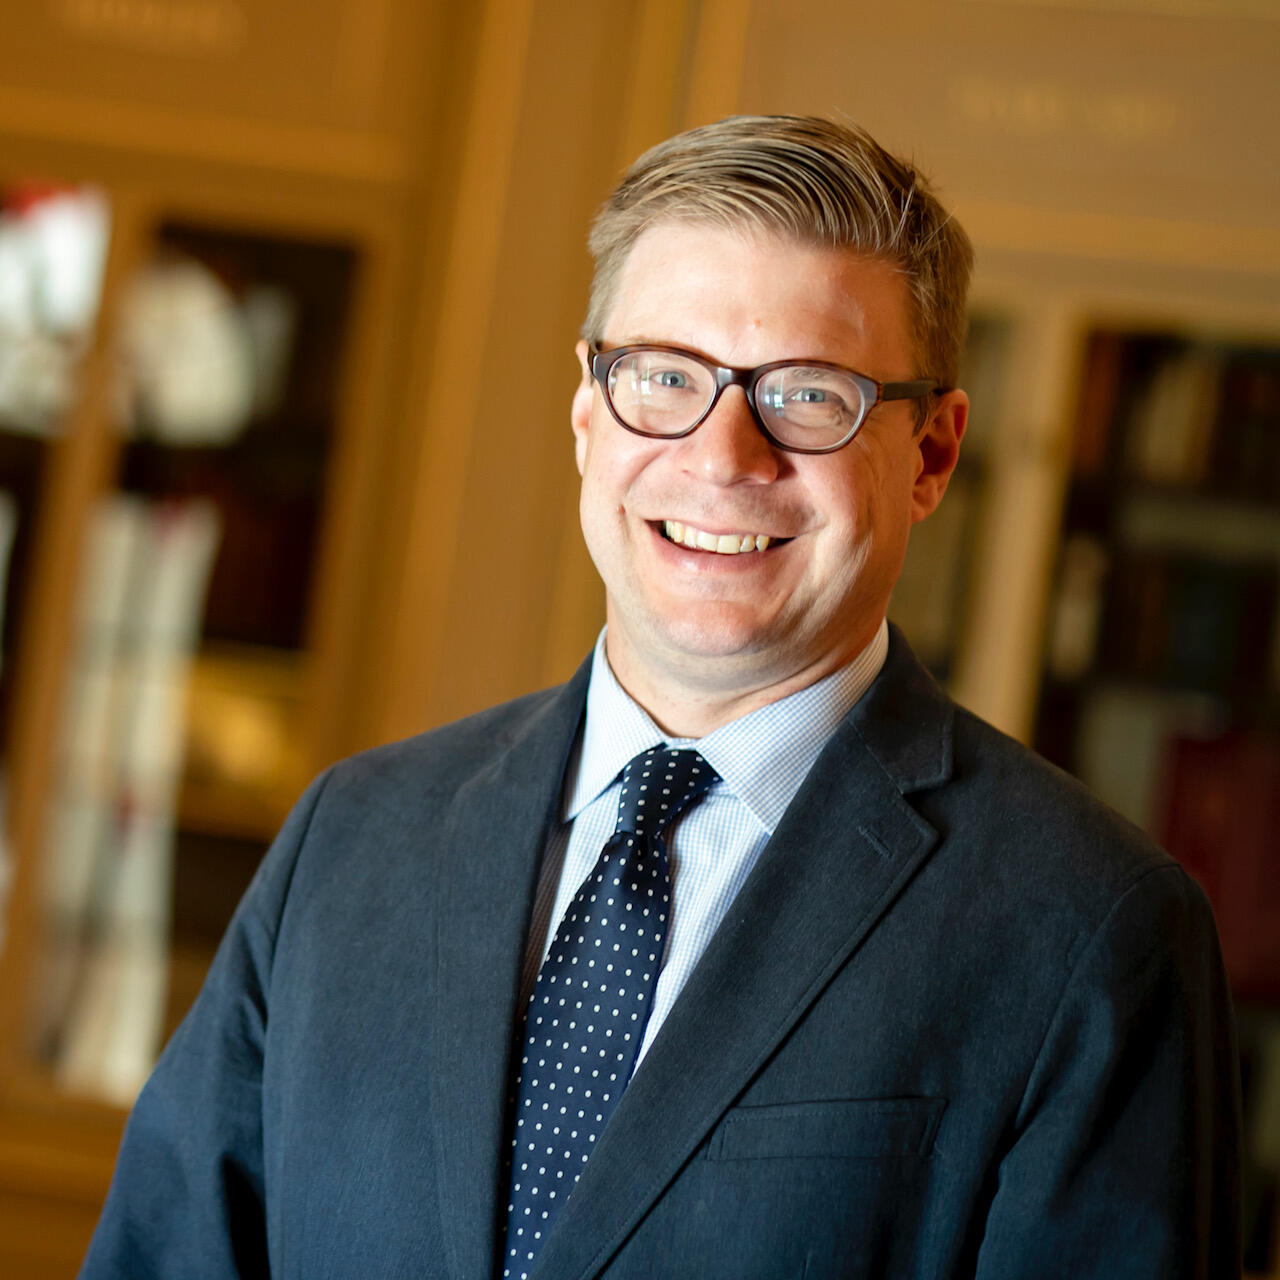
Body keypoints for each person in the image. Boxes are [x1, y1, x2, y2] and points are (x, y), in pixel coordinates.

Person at [81, 115, 1240, 1279]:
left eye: (806, 393)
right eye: (666, 377)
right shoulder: (354, 836)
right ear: (588, 410)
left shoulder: (1092, 931)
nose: (723, 454)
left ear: (931, 452)